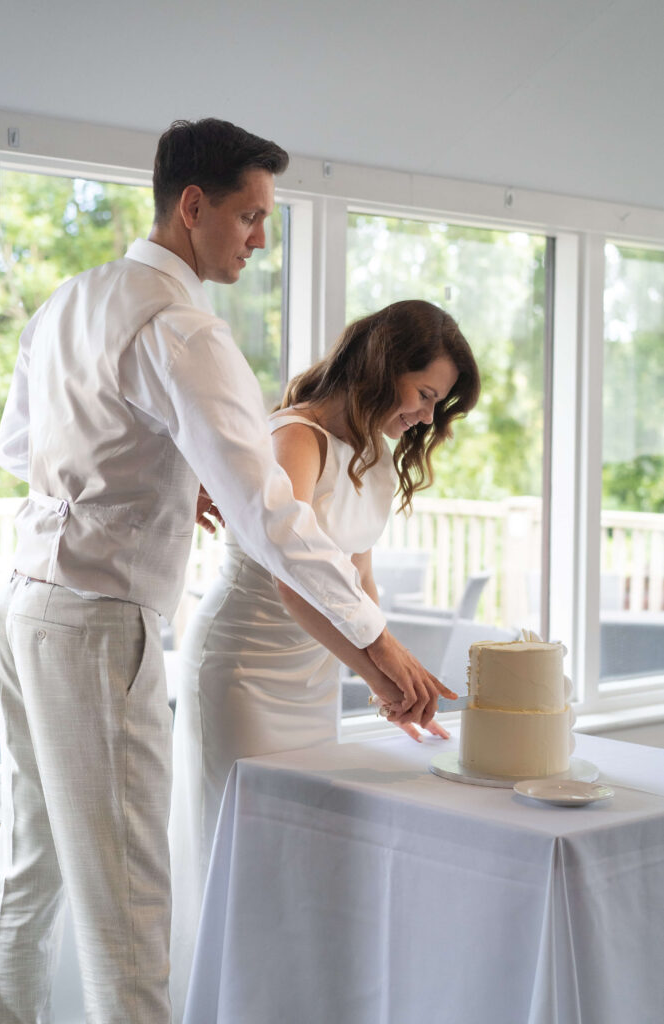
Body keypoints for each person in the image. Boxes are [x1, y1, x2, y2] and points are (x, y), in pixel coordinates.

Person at [0, 117, 454, 1024]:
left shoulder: (68, 301)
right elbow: (270, 516)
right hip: (94, 624)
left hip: (22, 608)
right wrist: (377, 644)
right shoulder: (184, 332)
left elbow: (20, 451)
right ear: (192, 206)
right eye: (249, 215)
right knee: (130, 906)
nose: (258, 238)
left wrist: (167, 475)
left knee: (31, 872)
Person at [169, 298, 480, 1016]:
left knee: (296, 867)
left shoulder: (370, 452)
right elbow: (295, 579)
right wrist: (382, 664)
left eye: (439, 404)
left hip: (309, 674)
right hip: (242, 670)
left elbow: (354, 579)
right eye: (425, 394)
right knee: (238, 858)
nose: (428, 419)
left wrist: (383, 686)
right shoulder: (295, 436)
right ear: (381, 366)